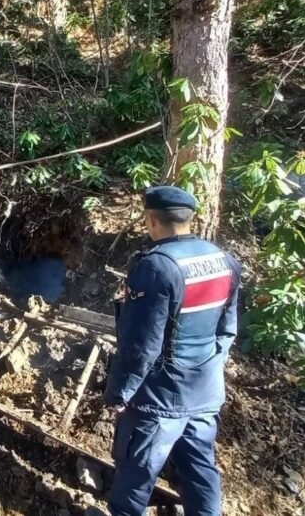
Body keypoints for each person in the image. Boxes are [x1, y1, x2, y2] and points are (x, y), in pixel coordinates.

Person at [103, 186, 241, 516]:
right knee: (199, 467)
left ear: (152, 219)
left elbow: (142, 346)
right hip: (205, 391)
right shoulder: (225, 261)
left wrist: (120, 393)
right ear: (189, 218)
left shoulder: (157, 268)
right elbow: (227, 330)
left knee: (137, 471)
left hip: (161, 399)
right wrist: (206, 367)